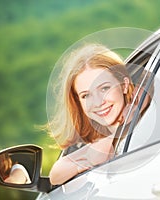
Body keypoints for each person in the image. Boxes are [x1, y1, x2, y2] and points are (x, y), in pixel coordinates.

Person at [47, 44, 138, 185]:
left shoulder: (142, 117)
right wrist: (80, 166)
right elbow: (55, 174)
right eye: (86, 95)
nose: (97, 102)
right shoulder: (99, 140)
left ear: (124, 85)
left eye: (104, 88)